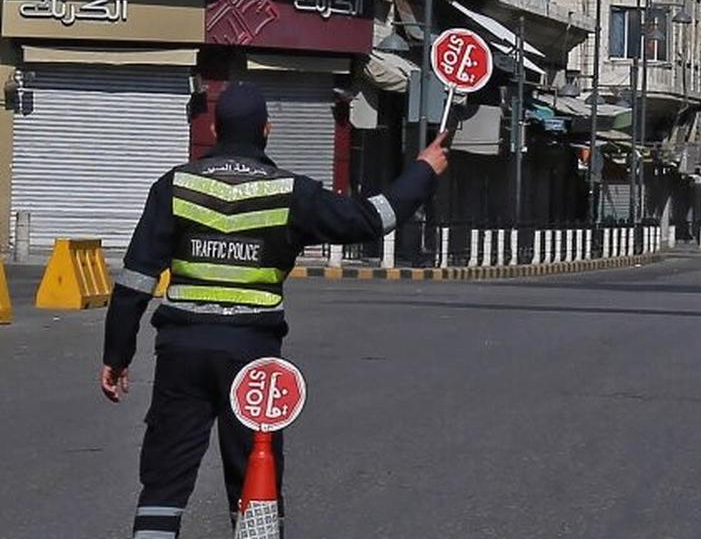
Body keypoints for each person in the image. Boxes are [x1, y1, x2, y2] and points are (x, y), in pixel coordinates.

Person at [100, 81, 449, 538]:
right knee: (253, 478)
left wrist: (117, 354)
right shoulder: (291, 192)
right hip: (252, 358)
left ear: (214, 127)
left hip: (181, 352)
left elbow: (134, 282)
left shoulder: (174, 187)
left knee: (163, 483)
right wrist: (422, 171)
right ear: (267, 130)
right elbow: (371, 218)